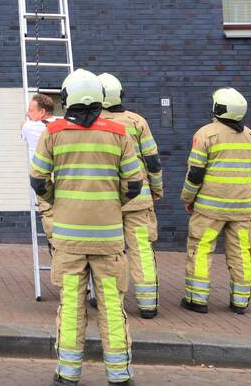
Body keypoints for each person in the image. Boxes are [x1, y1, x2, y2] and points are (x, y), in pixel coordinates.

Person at [30, 69, 141, 385]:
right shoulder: (119, 133)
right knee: (111, 307)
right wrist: (110, 205)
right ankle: (119, 376)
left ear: (68, 98)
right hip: (108, 239)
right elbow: (133, 185)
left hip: (68, 239)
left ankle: (67, 374)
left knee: (72, 307)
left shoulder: (53, 132)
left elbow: (38, 180)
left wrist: (59, 201)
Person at [180, 88, 251, 314]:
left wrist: (188, 198)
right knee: (242, 254)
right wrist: (244, 196)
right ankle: (240, 302)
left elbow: (195, 174)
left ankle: (196, 300)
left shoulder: (206, 134)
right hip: (243, 210)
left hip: (209, 209)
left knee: (201, 249)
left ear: (217, 109)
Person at [98, 73, 162, 319]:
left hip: (106, 201)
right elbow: (153, 161)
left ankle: (110, 302)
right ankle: (148, 304)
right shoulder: (137, 122)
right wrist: (156, 188)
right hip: (138, 199)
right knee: (141, 251)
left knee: (108, 253)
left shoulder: (92, 123)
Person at [21, 93, 57, 249]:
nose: (28, 114)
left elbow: (22, 126)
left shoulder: (29, 127)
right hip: (65, 179)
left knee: (50, 218)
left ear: (42, 112)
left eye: (31, 110)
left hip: (44, 181)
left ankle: (56, 249)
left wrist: (26, 121)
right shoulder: (62, 124)